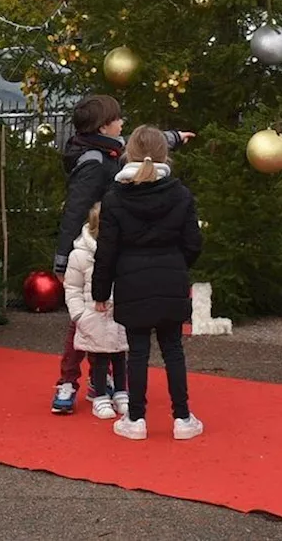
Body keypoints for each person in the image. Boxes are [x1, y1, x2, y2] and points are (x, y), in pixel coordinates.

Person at [50, 95, 193, 414]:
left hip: (115, 248)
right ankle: (68, 381)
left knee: (116, 319)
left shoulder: (109, 148)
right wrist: (63, 258)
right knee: (85, 323)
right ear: (104, 126)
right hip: (93, 250)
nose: (122, 123)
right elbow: (75, 211)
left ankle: (107, 381)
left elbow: (141, 147)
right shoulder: (95, 161)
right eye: (117, 119)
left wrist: (173, 138)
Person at [92, 125, 203, 441]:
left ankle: (136, 418)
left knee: (137, 352)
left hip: (131, 282)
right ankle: (182, 417)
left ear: (129, 153)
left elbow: (107, 250)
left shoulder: (114, 199)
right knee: (174, 349)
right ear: (165, 154)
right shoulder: (181, 194)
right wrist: (179, 267)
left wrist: (100, 291)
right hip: (171, 277)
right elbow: (194, 242)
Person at [63, 202, 129, 420]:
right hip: (92, 315)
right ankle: (97, 394)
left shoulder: (124, 251)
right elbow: (72, 287)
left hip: (119, 314)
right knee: (98, 356)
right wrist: (80, 314)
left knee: (120, 354)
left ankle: (121, 392)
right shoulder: (80, 255)